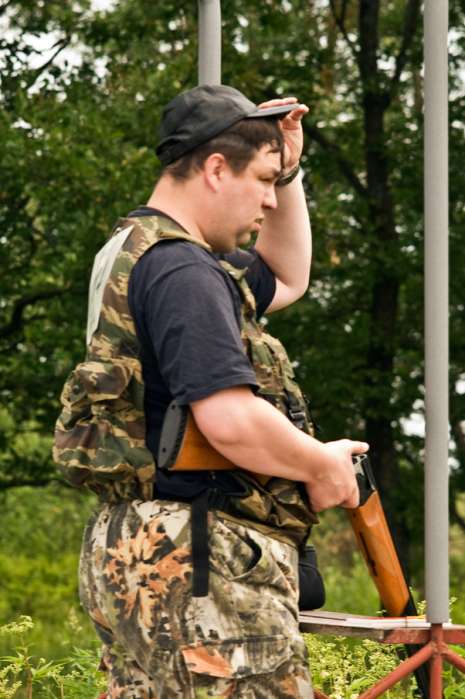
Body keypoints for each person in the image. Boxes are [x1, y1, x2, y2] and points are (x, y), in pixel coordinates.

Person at [54, 84, 368, 698]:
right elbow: (229, 419)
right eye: (264, 181)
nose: (271, 201)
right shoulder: (184, 270)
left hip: (144, 543)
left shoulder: (140, 250)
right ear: (217, 169)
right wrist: (321, 463)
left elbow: (287, 276)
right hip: (198, 554)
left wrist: (289, 166)